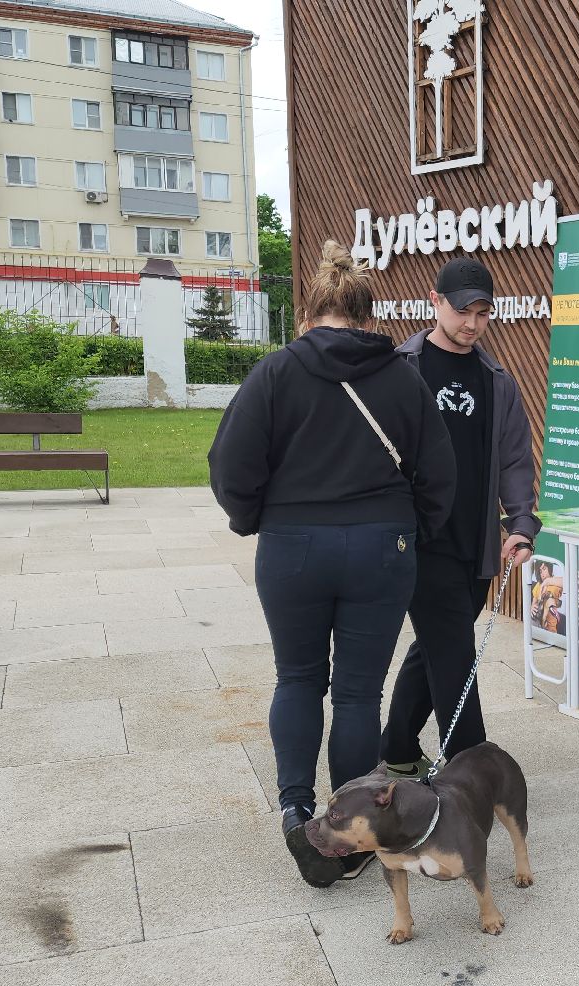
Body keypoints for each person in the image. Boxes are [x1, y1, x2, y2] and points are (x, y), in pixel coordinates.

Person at [209, 240, 457, 889]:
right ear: (368, 317)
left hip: (293, 547)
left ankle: (295, 809)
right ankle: (348, 831)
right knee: (356, 693)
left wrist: (256, 518)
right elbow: (440, 473)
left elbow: (230, 467)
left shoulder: (274, 374)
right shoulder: (403, 377)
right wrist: (414, 530)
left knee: (296, 679)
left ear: (306, 313)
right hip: (382, 548)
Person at [379, 257, 540, 777]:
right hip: (420, 540)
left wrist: (520, 523)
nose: (471, 323)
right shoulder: (403, 370)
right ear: (435, 303)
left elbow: (515, 457)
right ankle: (476, 768)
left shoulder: (497, 380)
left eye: (482, 313)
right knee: (453, 651)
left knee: (435, 649)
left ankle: (398, 749)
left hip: (476, 541)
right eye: (461, 310)